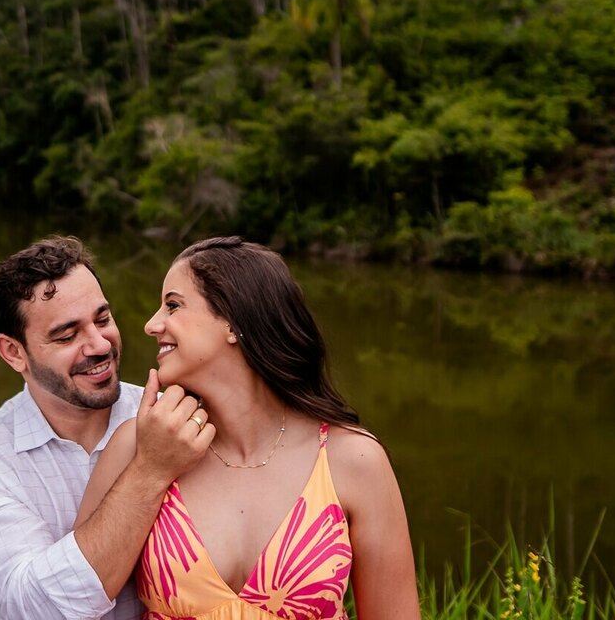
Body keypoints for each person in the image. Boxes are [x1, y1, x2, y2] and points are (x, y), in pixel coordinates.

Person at [77, 236, 421, 620]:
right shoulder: (138, 447)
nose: (151, 324)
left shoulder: (354, 460)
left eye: (173, 305)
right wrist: (149, 467)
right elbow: (73, 600)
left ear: (233, 321)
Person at [0, 236, 218, 620]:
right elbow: (35, 611)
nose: (99, 345)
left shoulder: (177, 417)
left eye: (103, 319)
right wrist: (151, 469)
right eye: (67, 336)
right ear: (13, 352)